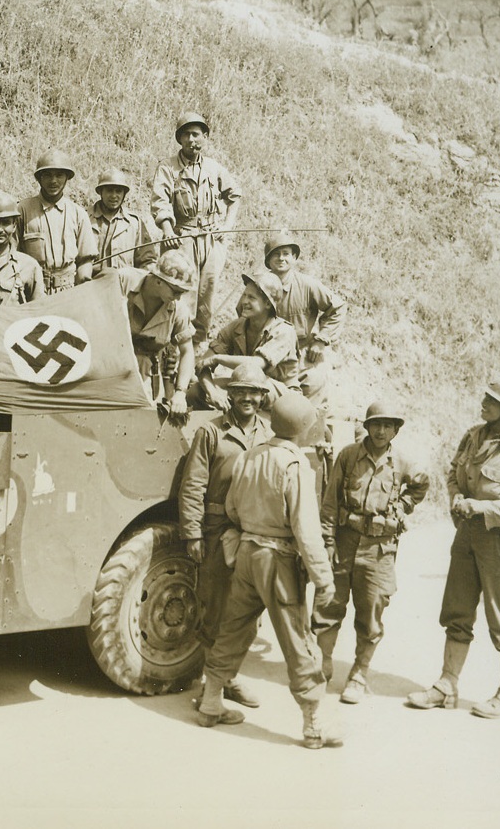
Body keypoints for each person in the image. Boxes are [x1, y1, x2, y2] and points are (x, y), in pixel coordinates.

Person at [195, 393, 341, 749]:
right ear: (304, 428)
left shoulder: (249, 456)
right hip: (278, 562)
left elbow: (231, 507)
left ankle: (211, 703)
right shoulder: (295, 465)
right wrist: (323, 579)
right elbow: (306, 531)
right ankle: (313, 725)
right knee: (297, 640)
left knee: (232, 629)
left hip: (246, 553)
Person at [406, 377, 500, 718]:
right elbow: (454, 472)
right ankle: (446, 684)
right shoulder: (473, 435)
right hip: (466, 537)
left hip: (499, 543)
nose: (483, 402)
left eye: (491, 400)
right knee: (457, 611)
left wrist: (481, 508)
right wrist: (455, 497)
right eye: (485, 396)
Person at [311, 401, 429, 704]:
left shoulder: (402, 462)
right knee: (328, 604)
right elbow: (330, 502)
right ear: (367, 426)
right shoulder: (349, 456)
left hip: (379, 549)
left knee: (371, 612)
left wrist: (402, 507)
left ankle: (359, 674)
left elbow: (421, 485)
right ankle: (322, 664)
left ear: (395, 430)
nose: (381, 430)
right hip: (345, 540)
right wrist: (327, 542)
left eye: (388, 425)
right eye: (376, 424)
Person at [178, 362, 273, 710]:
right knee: (215, 606)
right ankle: (212, 685)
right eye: (240, 391)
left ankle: (230, 677)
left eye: (254, 392)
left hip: (255, 530)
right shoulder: (212, 432)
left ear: (263, 397)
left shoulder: (268, 435)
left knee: (248, 608)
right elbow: (193, 485)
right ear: (229, 395)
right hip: (216, 530)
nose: (247, 397)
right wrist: (193, 534)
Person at [149, 113, 241, 344]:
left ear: (205, 137)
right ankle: (175, 345)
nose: (192, 140)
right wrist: (168, 230)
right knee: (181, 292)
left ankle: (198, 346)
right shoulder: (167, 168)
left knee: (206, 294)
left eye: (196, 134)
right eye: (186, 135)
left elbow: (235, 196)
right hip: (181, 239)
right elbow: (160, 201)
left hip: (211, 240)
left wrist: (227, 227)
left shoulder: (214, 168)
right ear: (179, 139)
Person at [263, 233, 345, 423]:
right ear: (268, 260)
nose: (281, 258)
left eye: (286, 254)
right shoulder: (259, 286)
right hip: (269, 352)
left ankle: (308, 434)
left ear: (294, 258)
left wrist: (321, 339)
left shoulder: (307, 285)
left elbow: (338, 307)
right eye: (276, 254)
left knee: (314, 384)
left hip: (302, 353)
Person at [193, 271, 300, 411]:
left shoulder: (284, 331)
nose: (244, 301)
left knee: (248, 382)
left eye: (251, 297)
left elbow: (255, 366)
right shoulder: (235, 327)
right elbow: (202, 365)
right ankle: (214, 430)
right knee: (195, 392)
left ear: (268, 304)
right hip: (245, 386)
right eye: (244, 295)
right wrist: (212, 392)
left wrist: (218, 359)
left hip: (281, 394)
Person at [111, 251, 196, 416]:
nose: (178, 298)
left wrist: (180, 392)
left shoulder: (178, 310)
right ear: (159, 281)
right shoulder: (123, 281)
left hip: (145, 372)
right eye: (176, 291)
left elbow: (187, 351)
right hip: (111, 363)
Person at [17, 150, 97, 294]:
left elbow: (85, 260)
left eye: (59, 175)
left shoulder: (78, 214)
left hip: (68, 290)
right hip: (32, 289)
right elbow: (11, 255)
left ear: (67, 178)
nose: (53, 181)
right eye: (47, 175)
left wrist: (83, 286)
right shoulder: (23, 210)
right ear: (39, 178)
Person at [89, 168, 160, 276]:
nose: (114, 196)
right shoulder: (85, 219)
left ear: (124, 194)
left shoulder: (134, 224)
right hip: (92, 286)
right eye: (109, 190)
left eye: (118, 191)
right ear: (100, 192)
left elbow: (147, 260)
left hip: (124, 287)